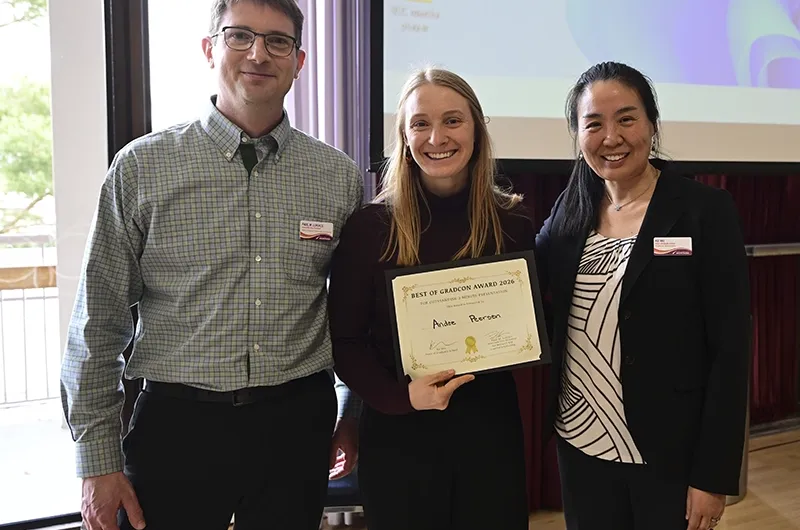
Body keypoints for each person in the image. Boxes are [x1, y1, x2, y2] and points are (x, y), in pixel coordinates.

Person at [59, 1, 363, 529]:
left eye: (278, 42)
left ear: (300, 61)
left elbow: (359, 315)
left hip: (296, 426)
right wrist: (96, 462)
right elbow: (97, 322)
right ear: (209, 48)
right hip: (177, 428)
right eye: (240, 36)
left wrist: (350, 413)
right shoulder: (142, 168)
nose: (259, 54)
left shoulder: (337, 177)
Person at [535, 61, 751, 530]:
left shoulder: (704, 211)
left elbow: (730, 352)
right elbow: (522, 288)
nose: (611, 137)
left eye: (626, 119)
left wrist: (712, 476)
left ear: (652, 125)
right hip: (581, 443)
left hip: (668, 454)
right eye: (593, 123)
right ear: (578, 134)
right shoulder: (570, 210)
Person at [327, 67, 532, 530]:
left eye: (453, 120)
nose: (436, 137)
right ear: (404, 135)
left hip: (489, 433)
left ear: (477, 128)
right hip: (399, 433)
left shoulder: (513, 224)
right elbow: (346, 342)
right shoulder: (370, 227)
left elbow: (528, 329)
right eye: (420, 123)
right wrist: (402, 399)